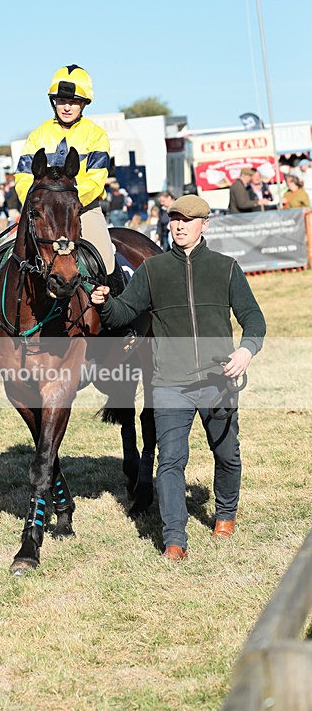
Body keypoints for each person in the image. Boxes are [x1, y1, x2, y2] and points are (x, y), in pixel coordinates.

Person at [90, 194, 266, 561]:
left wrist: (246, 351)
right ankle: (174, 540)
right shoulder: (153, 271)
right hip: (169, 382)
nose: (179, 225)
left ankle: (226, 513)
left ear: (204, 224)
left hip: (218, 380)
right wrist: (105, 303)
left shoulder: (226, 267)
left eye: (187, 219)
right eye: (174, 219)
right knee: (170, 460)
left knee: (227, 454)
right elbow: (123, 314)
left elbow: (254, 318)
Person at [15, 64, 121, 290]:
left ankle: (120, 320)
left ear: (84, 104)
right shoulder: (37, 135)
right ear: (53, 102)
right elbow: (23, 176)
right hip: (41, 213)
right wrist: (40, 204)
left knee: (107, 261)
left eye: (73, 102)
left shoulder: (96, 135)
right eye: (61, 101)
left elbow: (96, 178)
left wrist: (65, 203)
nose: (66, 107)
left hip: (83, 210)